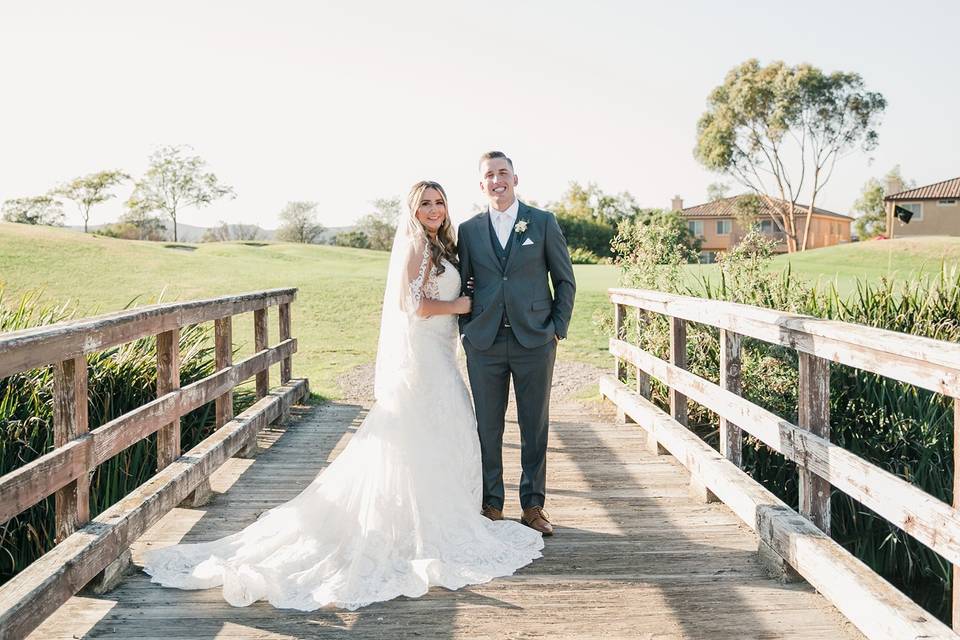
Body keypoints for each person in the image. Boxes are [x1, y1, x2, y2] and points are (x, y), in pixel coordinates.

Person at [142, 180, 544, 611]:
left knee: (444, 433)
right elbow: (415, 306)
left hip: (440, 356)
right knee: (426, 432)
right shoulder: (416, 247)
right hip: (424, 360)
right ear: (413, 209)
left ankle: (431, 512)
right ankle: (418, 522)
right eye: (425, 203)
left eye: (439, 202)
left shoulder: (438, 244)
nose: (433, 209)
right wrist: (462, 307)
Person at [457, 151, 576, 536]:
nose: (497, 180)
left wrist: (556, 328)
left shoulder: (542, 222)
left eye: (502, 173)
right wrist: (467, 329)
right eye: (489, 175)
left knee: (534, 424)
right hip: (485, 342)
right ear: (481, 184)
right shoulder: (469, 230)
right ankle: (492, 502)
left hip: (535, 341)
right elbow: (464, 283)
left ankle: (533, 505)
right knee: (487, 426)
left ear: (515, 178)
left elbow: (565, 280)